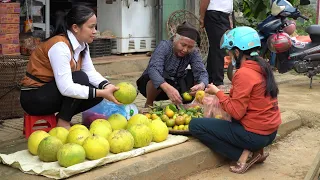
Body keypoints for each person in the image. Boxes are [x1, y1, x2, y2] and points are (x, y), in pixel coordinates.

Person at [189, 26, 282, 174]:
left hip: (255, 135)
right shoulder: (263, 67)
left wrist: (217, 92)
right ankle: (255, 151)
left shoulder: (244, 73)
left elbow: (237, 112)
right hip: (270, 132)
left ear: (237, 52)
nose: (230, 57)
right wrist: (220, 95)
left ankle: (243, 154)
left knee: (195, 125)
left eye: (230, 54)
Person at [20, 5, 120, 129]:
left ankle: (61, 118)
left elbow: (90, 72)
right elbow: (66, 88)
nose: (95, 31)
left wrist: (107, 87)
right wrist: (101, 93)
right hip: (34, 98)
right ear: (75, 28)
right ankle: (63, 121)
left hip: (51, 92)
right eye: (91, 27)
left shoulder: (83, 45)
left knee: (94, 87)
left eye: (95, 27)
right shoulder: (60, 46)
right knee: (80, 79)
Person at [136, 22, 209, 107]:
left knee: (193, 75)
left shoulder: (193, 52)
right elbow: (153, 69)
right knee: (156, 74)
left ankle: (183, 105)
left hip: (175, 83)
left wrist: (202, 84)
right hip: (152, 87)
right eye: (183, 45)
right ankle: (149, 103)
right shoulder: (164, 46)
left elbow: (201, 72)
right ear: (175, 39)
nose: (185, 50)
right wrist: (167, 87)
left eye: (189, 47)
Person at [200, 0, 233, 86]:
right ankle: (217, 82)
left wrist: (229, 19)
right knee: (219, 48)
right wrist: (202, 17)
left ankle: (210, 79)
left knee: (215, 48)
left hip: (224, 15)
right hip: (214, 15)